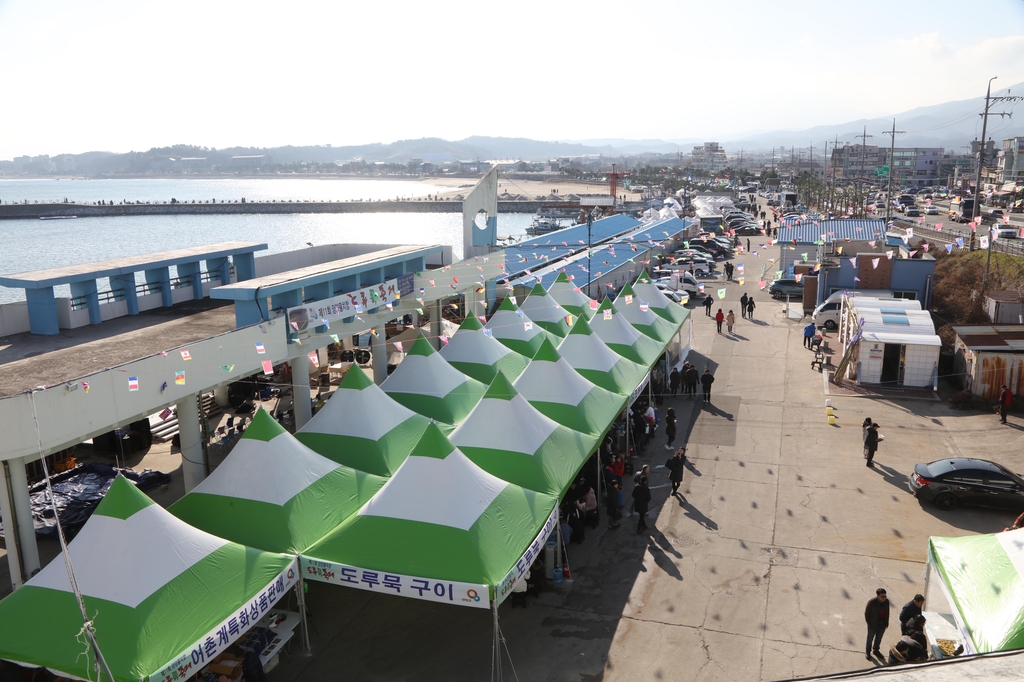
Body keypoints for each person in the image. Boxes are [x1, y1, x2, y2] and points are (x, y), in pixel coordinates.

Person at [864, 588, 890, 660]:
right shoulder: (872, 602)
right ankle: (868, 652)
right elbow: (867, 614)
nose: (884, 598)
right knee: (870, 639)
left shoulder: (886, 602)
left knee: (878, 638)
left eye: (885, 596)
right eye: (882, 596)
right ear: (877, 596)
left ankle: (876, 650)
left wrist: (886, 623)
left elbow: (887, 612)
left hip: (882, 624)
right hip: (873, 625)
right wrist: (870, 623)